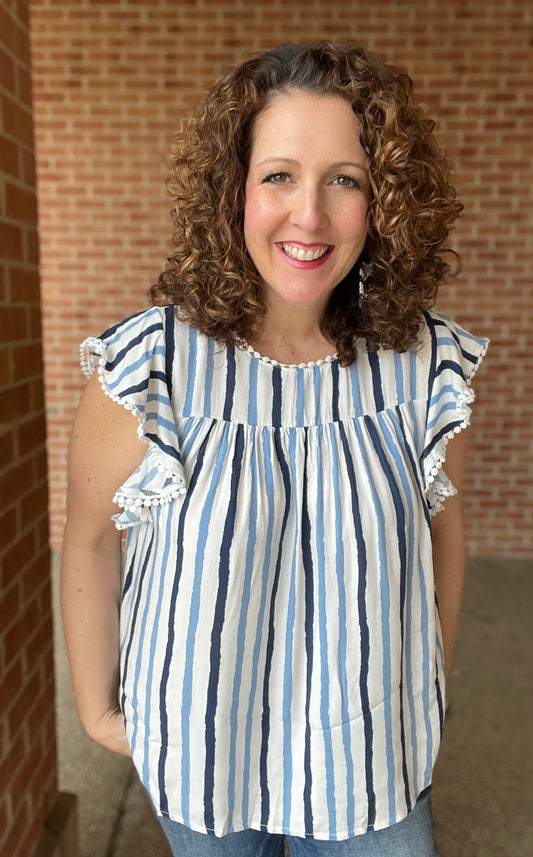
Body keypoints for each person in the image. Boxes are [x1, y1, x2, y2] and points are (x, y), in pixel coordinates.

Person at [61, 41, 488, 857]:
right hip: (199, 753)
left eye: (345, 179)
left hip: (373, 759)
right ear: (233, 193)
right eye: (279, 175)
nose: (310, 215)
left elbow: (444, 532)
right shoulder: (151, 369)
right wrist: (96, 709)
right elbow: (89, 535)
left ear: (383, 199)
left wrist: (421, 685)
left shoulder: (426, 369)